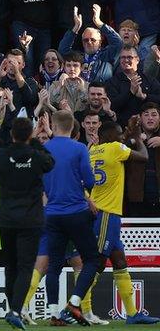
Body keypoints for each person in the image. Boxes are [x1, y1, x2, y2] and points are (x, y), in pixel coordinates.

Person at [88, 118, 160, 324]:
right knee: (98, 262)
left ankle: (132, 313)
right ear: (111, 136)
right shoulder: (115, 147)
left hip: (103, 212)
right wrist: (137, 138)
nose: (121, 137)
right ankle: (76, 305)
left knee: (119, 261)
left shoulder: (93, 151)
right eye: (118, 134)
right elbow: (144, 157)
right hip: (107, 213)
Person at [0, 117, 54, 329]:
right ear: (31, 135)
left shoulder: (3, 155)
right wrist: (33, 141)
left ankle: (13, 309)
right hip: (30, 219)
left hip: (7, 218)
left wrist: (17, 143)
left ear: (11, 134)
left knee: (11, 266)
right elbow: (50, 161)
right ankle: (15, 310)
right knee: (26, 266)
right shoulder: (36, 156)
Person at [42, 110, 98, 326]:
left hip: (53, 214)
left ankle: (54, 314)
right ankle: (74, 303)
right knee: (92, 259)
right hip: (76, 212)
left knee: (54, 265)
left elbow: (40, 181)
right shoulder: (79, 148)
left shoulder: (44, 149)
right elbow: (90, 180)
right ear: (73, 128)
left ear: (54, 127)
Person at [58, 4, 122, 83]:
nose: (89, 42)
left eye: (93, 40)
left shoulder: (107, 55)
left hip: (101, 93)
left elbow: (118, 42)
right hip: (81, 93)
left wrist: (99, 23)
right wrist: (75, 28)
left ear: (100, 42)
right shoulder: (78, 57)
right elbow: (62, 50)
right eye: (85, 40)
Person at [126, 102, 160, 216]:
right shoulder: (132, 133)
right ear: (140, 118)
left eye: (154, 114)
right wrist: (135, 140)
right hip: (136, 196)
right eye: (146, 114)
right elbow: (118, 147)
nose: (150, 118)